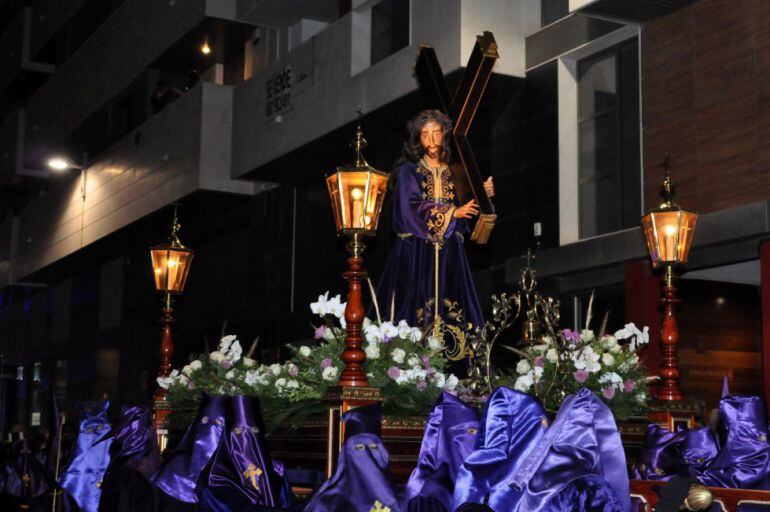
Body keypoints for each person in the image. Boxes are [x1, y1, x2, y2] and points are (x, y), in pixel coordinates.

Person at [374, 110, 493, 351]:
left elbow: (471, 214)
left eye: (436, 133)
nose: (431, 140)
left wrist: (483, 196)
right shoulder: (410, 170)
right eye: (425, 134)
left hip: (451, 255)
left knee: (455, 312)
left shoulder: (455, 171)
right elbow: (409, 206)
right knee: (412, 309)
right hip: (416, 251)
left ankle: (459, 368)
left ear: (444, 136)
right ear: (418, 138)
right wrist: (451, 213)